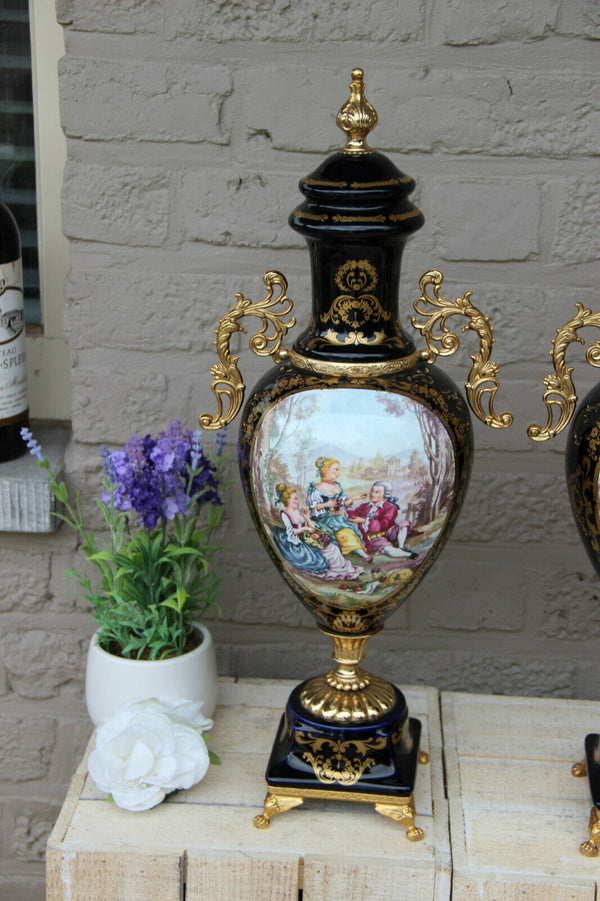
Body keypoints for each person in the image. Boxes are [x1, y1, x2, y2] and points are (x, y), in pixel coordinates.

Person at [272, 484, 365, 581]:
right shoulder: (285, 515)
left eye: (297, 499)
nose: (297, 501)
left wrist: (307, 518)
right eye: (294, 499)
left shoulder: (299, 511)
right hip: (298, 542)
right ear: (287, 500)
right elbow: (292, 532)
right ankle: (336, 571)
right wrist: (305, 529)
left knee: (333, 549)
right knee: (320, 559)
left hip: (309, 537)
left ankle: (346, 570)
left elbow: (312, 526)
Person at [306, 457, 372, 561]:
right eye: (335, 469)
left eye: (338, 470)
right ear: (326, 469)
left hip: (336, 517)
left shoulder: (337, 486)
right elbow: (314, 507)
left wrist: (355, 498)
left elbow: (343, 503)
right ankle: (361, 554)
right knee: (343, 532)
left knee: (349, 528)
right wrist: (328, 504)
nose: (338, 473)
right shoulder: (317, 488)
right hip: (323, 518)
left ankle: (361, 552)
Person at [348, 481, 417, 558]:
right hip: (373, 537)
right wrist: (344, 510)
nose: (372, 494)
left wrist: (364, 521)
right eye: (372, 491)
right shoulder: (364, 506)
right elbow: (353, 514)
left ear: (385, 495)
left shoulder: (390, 508)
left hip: (388, 533)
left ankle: (401, 546)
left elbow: (384, 524)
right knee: (387, 549)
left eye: (376, 492)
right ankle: (409, 555)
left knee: (404, 524)